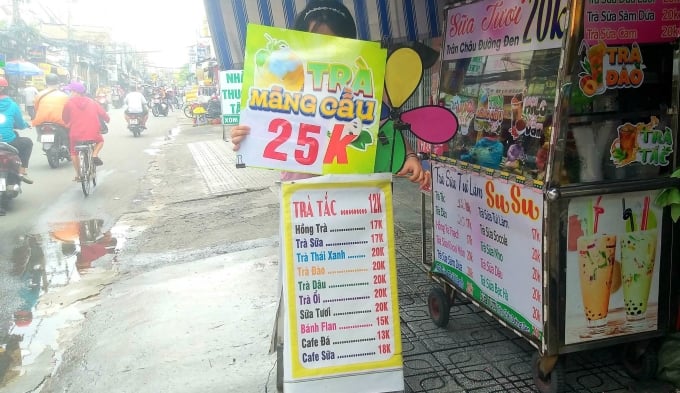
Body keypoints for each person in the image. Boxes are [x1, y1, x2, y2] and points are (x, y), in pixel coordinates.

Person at [229, 0, 429, 188]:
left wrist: (409, 156)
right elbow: (267, 136)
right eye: (315, 42)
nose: (324, 51)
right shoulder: (282, 81)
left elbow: (384, 126)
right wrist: (247, 138)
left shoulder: (365, 79)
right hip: (303, 196)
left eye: (334, 43)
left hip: (358, 196)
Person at [62, 81, 109, 181]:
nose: (70, 93)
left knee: (74, 152)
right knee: (100, 141)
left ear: (76, 92)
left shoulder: (69, 103)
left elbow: (65, 118)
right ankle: (95, 154)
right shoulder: (92, 102)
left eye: (71, 91)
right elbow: (104, 114)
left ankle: (79, 175)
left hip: (76, 134)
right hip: (93, 133)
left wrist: (67, 123)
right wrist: (107, 119)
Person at [0, 76, 34, 184]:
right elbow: (20, 123)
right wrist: (25, 125)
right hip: (9, 141)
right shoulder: (13, 105)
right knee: (27, 143)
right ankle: (22, 171)